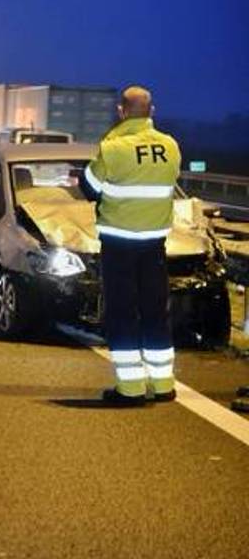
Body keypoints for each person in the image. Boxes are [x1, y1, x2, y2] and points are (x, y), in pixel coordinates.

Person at [80, 86, 180, 406]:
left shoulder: (113, 148)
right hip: (155, 244)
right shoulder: (170, 146)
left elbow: (89, 186)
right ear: (152, 112)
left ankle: (131, 389)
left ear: (121, 111)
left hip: (120, 243)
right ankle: (164, 384)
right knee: (155, 311)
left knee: (122, 314)